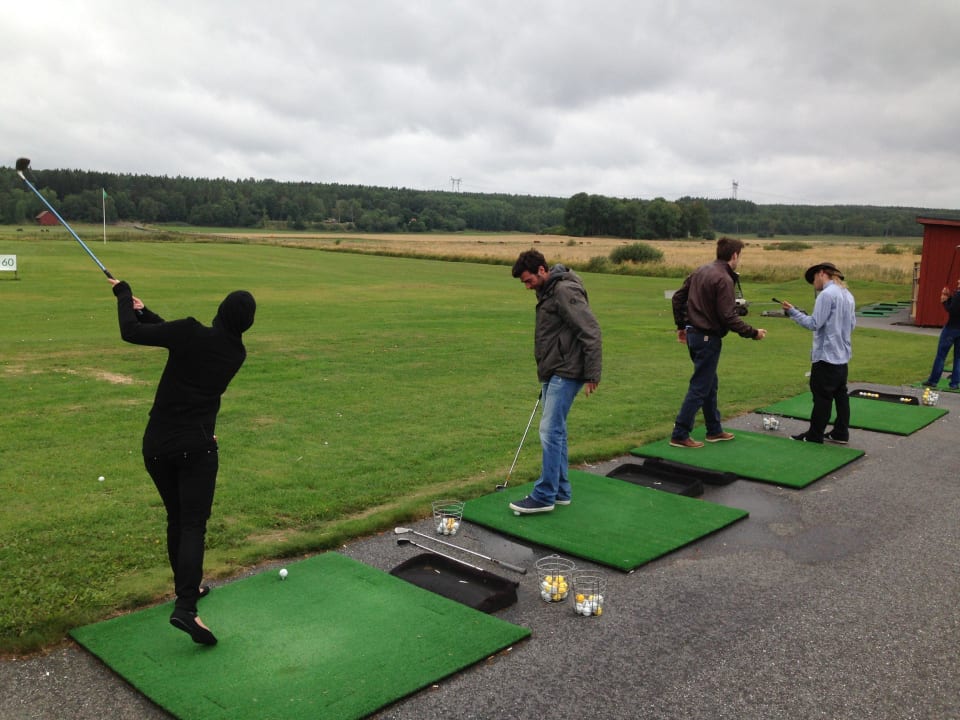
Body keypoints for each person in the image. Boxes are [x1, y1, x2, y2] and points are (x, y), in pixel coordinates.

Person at [111, 279, 256, 645]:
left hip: (157, 445)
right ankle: (186, 605)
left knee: (178, 519)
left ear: (221, 310)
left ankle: (187, 596)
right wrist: (145, 311)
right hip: (197, 446)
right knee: (192, 525)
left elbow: (132, 333)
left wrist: (124, 296)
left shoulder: (191, 333)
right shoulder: (235, 353)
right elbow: (178, 337)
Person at [508, 250, 602, 514]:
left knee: (549, 431)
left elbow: (591, 331)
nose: (527, 287)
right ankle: (560, 491)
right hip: (554, 370)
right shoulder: (549, 290)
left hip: (567, 370)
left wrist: (593, 373)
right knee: (556, 431)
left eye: (528, 281)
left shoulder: (563, 291)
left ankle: (545, 495)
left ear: (542, 270)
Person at [670, 237, 766, 448]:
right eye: (739, 256)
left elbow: (677, 298)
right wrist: (752, 333)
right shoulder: (724, 278)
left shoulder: (700, 270)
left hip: (694, 336)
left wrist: (680, 326)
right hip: (707, 338)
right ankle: (680, 433)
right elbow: (728, 317)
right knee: (700, 386)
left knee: (709, 384)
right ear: (734, 255)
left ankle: (714, 430)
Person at [781, 262, 856, 443]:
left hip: (826, 355)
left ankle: (815, 435)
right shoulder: (848, 295)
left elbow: (814, 323)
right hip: (842, 355)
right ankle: (841, 432)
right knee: (840, 395)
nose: (813, 283)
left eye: (814, 278)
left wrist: (793, 313)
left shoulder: (826, 295)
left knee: (822, 397)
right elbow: (852, 324)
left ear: (822, 274)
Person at [922, 277, 960, 390]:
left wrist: (944, 301)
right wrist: (950, 298)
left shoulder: (958, 294)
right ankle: (954, 383)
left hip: (951, 329)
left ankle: (933, 381)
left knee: (941, 355)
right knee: (958, 358)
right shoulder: (957, 295)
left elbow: (953, 310)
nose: (958, 281)